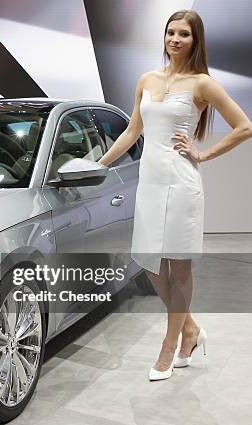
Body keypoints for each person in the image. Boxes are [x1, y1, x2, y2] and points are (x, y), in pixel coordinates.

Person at [97, 10, 251, 381]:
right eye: (171, 32)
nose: (176, 39)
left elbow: (244, 126)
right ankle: (190, 329)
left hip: (182, 183)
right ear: (164, 37)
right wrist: (99, 165)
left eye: (184, 34)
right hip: (149, 182)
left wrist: (203, 153)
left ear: (195, 40)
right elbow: (133, 131)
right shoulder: (147, 79)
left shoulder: (203, 83)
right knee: (150, 263)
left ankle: (170, 346)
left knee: (179, 266)